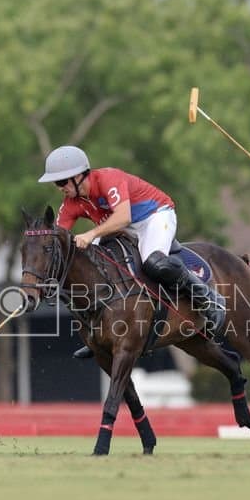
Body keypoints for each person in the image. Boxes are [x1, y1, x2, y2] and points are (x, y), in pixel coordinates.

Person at [38, 145, 226, 359]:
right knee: (91, 264)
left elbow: (123, 217)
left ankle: (208, 297)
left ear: (79, 176)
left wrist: (90, 234)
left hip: (153, 216)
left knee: (155, 262)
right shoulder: (71, 204)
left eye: (62, 182)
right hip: (122, 228)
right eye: (56, 183)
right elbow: (59, 238)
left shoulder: (108, 179)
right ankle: (99, 331)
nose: (59, 188)